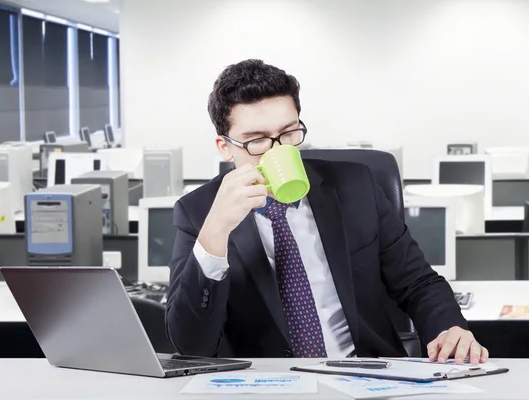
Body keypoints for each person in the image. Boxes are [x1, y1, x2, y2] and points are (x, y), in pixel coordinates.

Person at [166, 59, 488, 364]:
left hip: (364, 377)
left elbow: (418, 283)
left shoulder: (356, 186)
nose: (278, 150)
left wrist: (449, 329)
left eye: (288, 133)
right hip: (269, 388)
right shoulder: (199, 213)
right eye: (257, 141)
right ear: (225, 147)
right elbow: (192, 345)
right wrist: (216, 232)